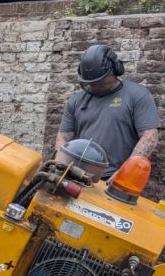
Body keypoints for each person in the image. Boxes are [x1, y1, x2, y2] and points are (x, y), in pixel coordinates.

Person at [56, 44, 160, 180]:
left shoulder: (137, 95)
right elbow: (63, 138)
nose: (93, 86)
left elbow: (149, 137)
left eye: (99, 81)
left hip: (116, 178)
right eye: (90, 82)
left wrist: (125, 172)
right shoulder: (75, 101)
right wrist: (61, 167)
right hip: (77, 176)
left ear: (115, 71)